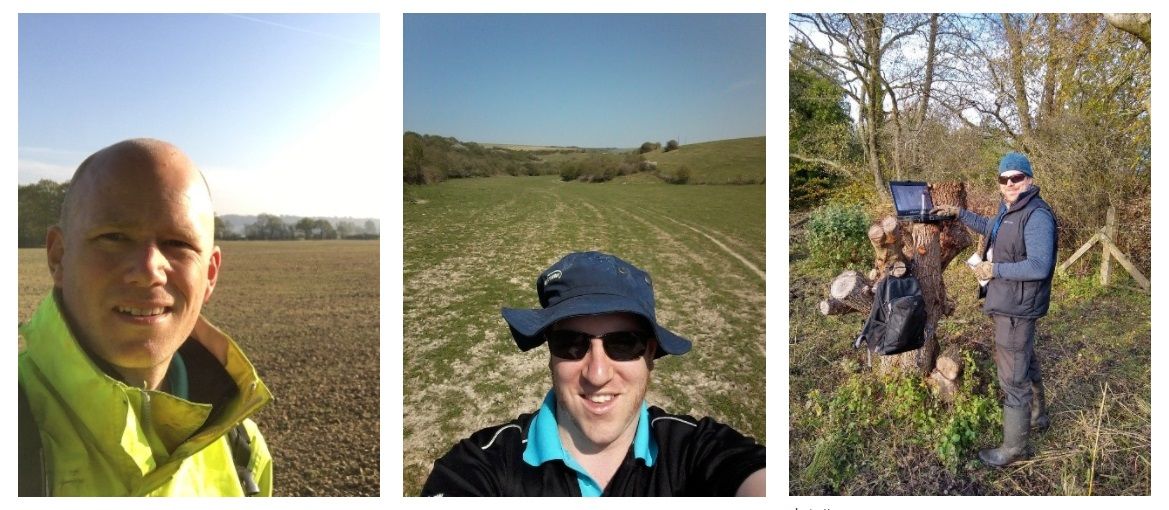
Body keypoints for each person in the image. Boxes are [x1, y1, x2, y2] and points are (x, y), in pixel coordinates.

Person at [17, 139, 274, 496]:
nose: (148, 270)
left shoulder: (242, 450)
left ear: (210, 274)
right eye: (115, 237)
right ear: (58, 256)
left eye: (178, 243)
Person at [421, 251, 766, 496]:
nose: (597, 373)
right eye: (571, 343)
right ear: (550, 353)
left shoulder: (698, 448)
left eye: (624, 343)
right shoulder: (481, 465)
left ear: (650, 353)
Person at [932, 151, 1057, 467]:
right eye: (1004, 179)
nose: (1010, 183)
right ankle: (1039, 415)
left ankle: (1014, 450)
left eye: (1017, 177)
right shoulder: (1010, 209)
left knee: (1012, 377)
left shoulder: (1037, 215)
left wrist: (995, 269)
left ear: (1029, 179)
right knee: (1023, 357)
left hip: (1018, 306)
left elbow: (1040, 266)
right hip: (1009, 301)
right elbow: (993, 227)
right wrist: (960, 213)